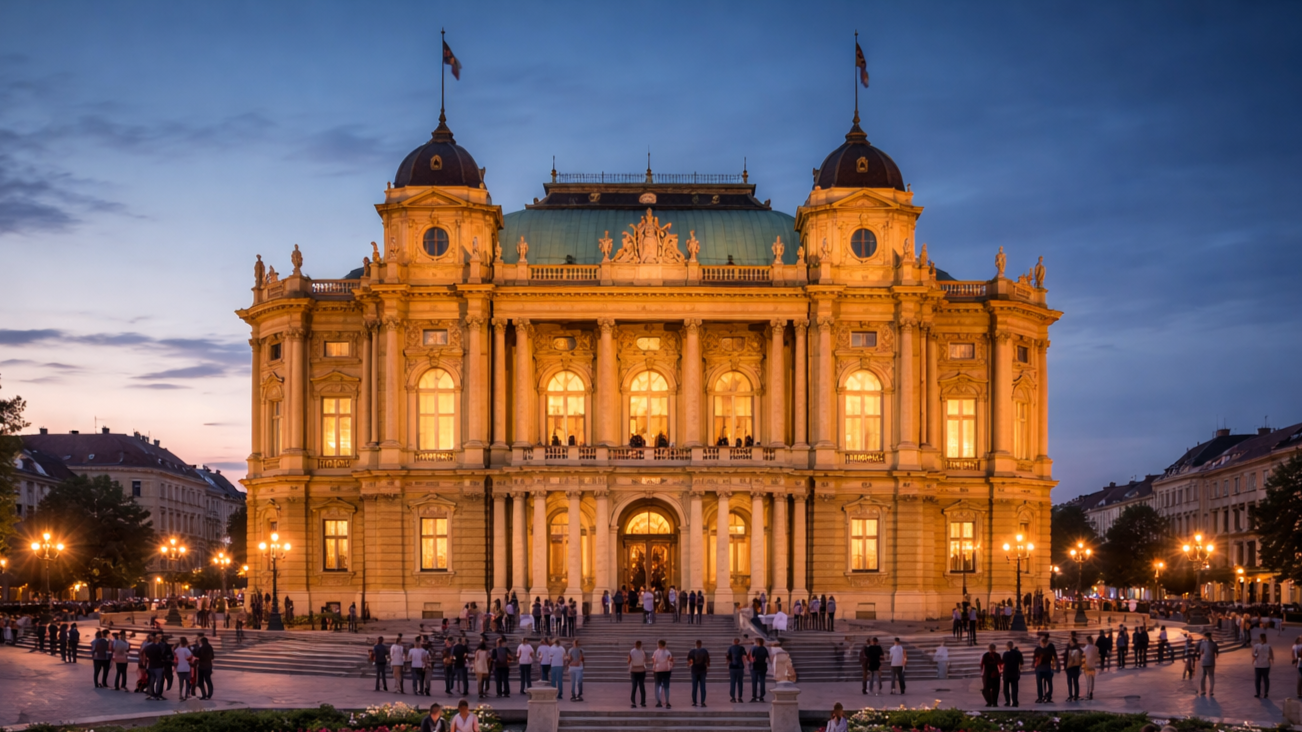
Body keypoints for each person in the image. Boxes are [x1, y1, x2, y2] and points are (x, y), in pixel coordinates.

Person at [1033, 634, 1058, 704]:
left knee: (1039, 684)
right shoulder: (1049, 649)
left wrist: (1034, 665)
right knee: (1049, 683)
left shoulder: (1037, 649)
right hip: (1047, 668)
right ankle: (1048, 696)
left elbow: (1035, 659)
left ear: (1040, 642)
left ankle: (1040, 697)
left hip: (1039, 669)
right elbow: (1054, 657)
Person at [653, 639, 674, 708]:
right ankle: (667, 702)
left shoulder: (656, 652)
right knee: (666, 687)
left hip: (658, 670)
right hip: (666, 670)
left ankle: (659, 702)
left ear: (659, 644)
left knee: (657, 686)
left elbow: (654, 661)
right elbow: (670, 659)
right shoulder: (667, 652)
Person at [980, 643, 1003, 707]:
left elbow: (982, 664)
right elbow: (1000, 663)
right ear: (995, 648)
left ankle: (989, 702)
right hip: (995, 673)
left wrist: (982, 673)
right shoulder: (997, 655)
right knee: (996, 689)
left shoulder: (985, 655)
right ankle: (995, 703)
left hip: (987, 674)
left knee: (986, 688)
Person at [688, 639, 710, 707]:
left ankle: (694, 702)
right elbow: (707, 661)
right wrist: (707, 667)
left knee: (694, 687)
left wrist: (691, 666)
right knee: (703, 686)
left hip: (694, 670)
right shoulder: (704, 651)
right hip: (702, 670)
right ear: (701, 644)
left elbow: (690, 662)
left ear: (696, 644)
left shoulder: (692, 651)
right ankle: (703, 702)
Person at [1002, 641, 1023, 707]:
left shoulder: (1005, 654)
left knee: (1006, 688)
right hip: (1015, 672)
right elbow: (1021, 662)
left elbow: (1003, 662)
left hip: (1007, 672)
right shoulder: (1018, 653)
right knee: (1015, 688)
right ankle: (1015, 702)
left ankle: (1008, 701)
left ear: (1007, 646)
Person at [1252, 632, 1274, 698]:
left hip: (1260, 665)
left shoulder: (1257, 646)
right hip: (1264, 665)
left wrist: (1254, 658)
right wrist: (1271, 659)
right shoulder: (1267, 646)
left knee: (1258, 679)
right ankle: (1264, 693)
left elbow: (1254, 654)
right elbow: (1271, 655)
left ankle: (1260, 693)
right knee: (1265, 679)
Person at [726, 637, 746, 703]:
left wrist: (727, 663)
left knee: (733, 682)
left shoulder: (730, 648)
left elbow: (728, 657)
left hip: (732, 667)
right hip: (740, 667)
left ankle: (733, 697)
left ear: (734, 642)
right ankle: (740, 697)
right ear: (738, 642)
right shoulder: (741, 648)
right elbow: (744, 657)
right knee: (740, 682)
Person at [629, 640, 648, 708]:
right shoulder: (642, 651)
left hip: (634, 670)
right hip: (641, 670)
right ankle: (643, 702)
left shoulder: (632, 651)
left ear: (635, 644)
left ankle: (633, 702)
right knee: (642, 686)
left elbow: (629, 660)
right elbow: (645, 660)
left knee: (634, 686)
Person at [1198, 632, 1218, 697]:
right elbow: (1216, 653)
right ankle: (1211, 691)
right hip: (1211, 661)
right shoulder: (1214, 643)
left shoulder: (1203, 643)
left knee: (1203, 676)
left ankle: (1203, 690)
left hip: (1204, 661)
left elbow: (1201, 652)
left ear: (1205, 637)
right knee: (1211, 676)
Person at [174, 636, 193, 701]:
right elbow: (190, 658)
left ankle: (180, 694)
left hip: (179, 668)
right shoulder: (187, 650)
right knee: (187, 681)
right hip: (186, 667)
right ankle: (186, 694)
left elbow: (175, 657)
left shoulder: (177, 650)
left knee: (181, 682)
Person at [1063, 637, 1083, 702]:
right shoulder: (1076, 649)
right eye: (1070, 642)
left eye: (1071, 642)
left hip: (1074, 668)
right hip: (1070, 668)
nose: (1070, 643)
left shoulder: (1077, 649)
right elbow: (1065, 658)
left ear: (1074, 642)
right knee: (1070, 682)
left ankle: (1075, 695)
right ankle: (1071, 695)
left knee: (1075, 682)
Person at [196, 635, 215, 699]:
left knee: (200, 681)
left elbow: (197, 655)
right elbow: (212, 657)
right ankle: (209, 694)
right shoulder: (210, 647)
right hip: (208, 666)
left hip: (202, 666)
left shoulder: (201, 648)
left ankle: (203, 694)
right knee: (208, 680)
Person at [1082, 635, 1100, 701]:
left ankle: (1088, 693)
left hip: (1087, 665)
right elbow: (1097, 656)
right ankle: (1091, 692)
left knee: (1088, 680)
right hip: (1093, 665)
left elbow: (1083, 652)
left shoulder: (1087, 647)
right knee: (1092, 679)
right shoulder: (1095, 648)